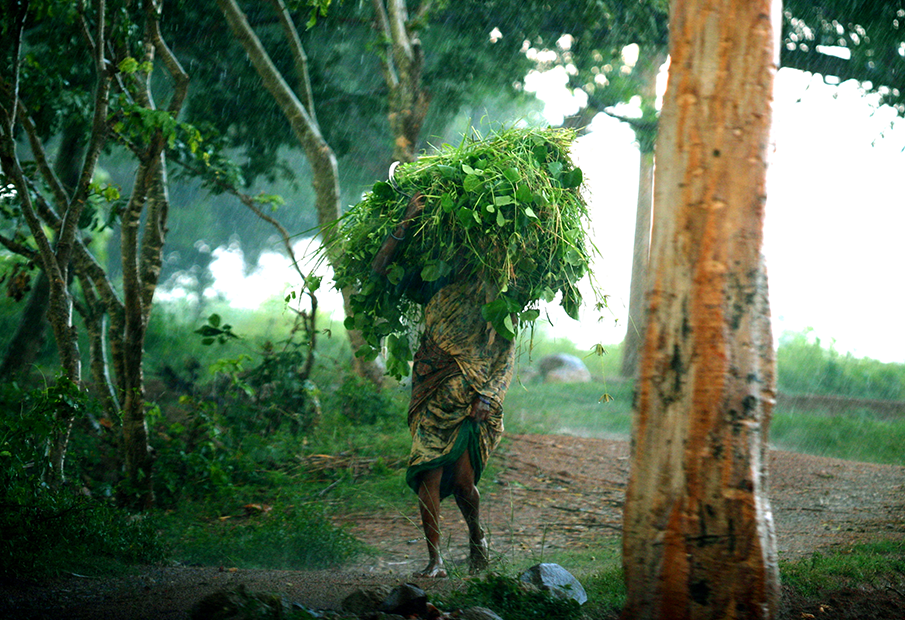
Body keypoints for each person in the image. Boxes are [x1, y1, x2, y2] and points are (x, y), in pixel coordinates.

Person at [372, 191, 516, 578]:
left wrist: (488, 395)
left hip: (472, 398)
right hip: (430, 390)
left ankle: (477, 538)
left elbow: (506, 351)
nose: (465, 250)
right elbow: (381, 270)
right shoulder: (433, 279)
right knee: (427, 471)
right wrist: (404, 223)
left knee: (466, 484)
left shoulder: (496, 290)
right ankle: (435, 560)